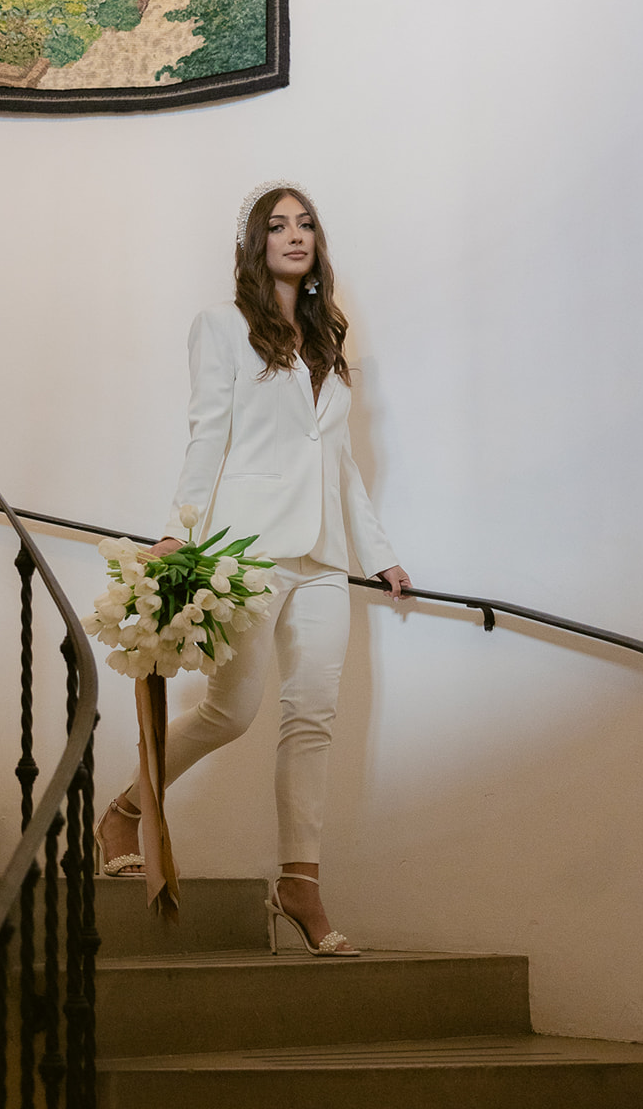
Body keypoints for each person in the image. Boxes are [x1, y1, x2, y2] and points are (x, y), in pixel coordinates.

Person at [95, 180, 411, 956]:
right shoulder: (222, 326)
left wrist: (382, 556)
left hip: (324, 559)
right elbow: (207, 435)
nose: (295, 235)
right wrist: (179, 532)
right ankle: (127, 810)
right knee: (230, 712)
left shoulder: (330, 342)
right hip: (247, 551)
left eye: (305, 224)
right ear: (256, 244)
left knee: (312, 718)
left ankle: (300, 881)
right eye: (278, 226)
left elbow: (339, 465)